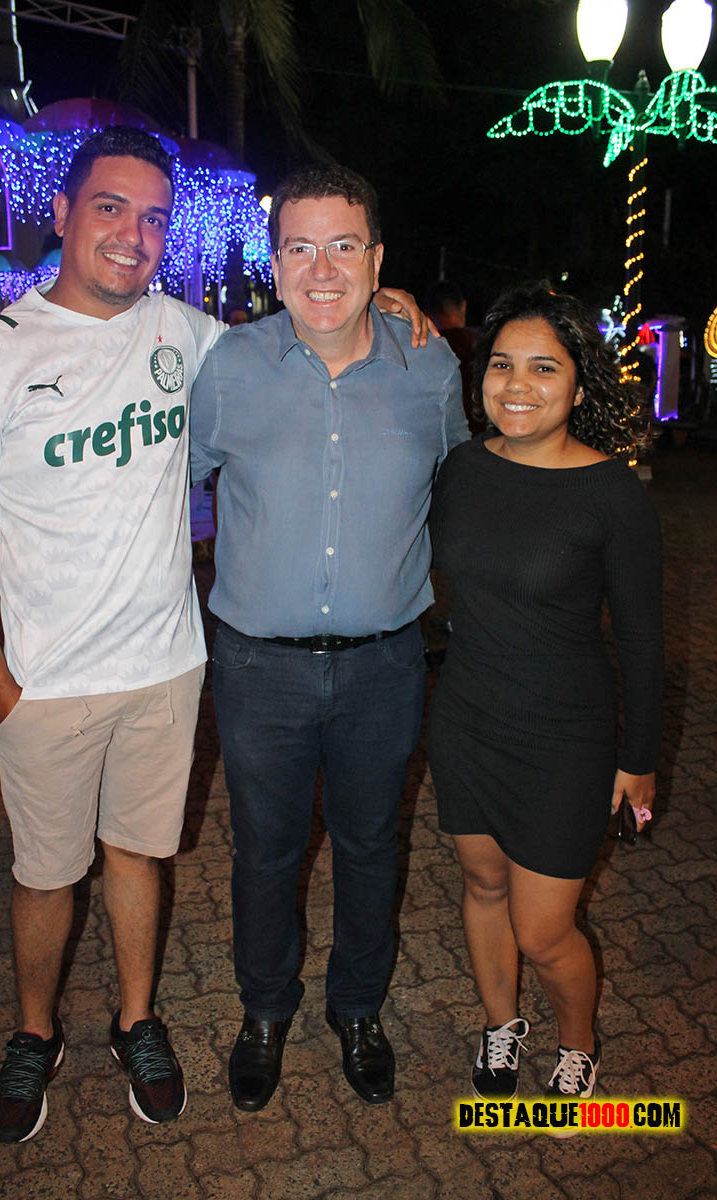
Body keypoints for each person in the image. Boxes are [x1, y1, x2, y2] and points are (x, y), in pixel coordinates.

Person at [0, 129, 431, 1144]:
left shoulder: (191, 336)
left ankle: (136, 1021)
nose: (133, 233)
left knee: (136, 858)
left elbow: (303, 327)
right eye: (109, 207)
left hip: (165, 668)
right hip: (44, 681)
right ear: (62, 213)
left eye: (154, 217)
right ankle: (33, 1033)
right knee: (44, 874)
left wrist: (385, 299)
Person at [189, 164, 468, 1112]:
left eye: (343, 246)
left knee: (370, 846)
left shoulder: (430, 368)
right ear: (274, 264)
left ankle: (358, 1010)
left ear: (377, 260)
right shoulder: (231, 366)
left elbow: (464, 492)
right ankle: (265, 1010)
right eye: (299, 248)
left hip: (386, 664)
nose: (321, 269)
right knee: (264, 852)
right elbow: (166, 484)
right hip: (256, 667)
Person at [426, 282, 663, 1112]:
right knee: (482, 885)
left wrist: (639, 759)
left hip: (565, 738)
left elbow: (642, 639)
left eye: (543, 367)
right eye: (501, 365)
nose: (517, 385)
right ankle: (501, 1024)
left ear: (578, 385)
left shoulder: (612, 493)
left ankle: (577, 1041)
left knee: (544, 927)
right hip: (466, 721)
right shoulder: (461, 469)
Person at [424, 279, 481, 434]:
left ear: (427, 314)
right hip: (480, 436)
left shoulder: (424, 351)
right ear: (464, 306)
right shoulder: (482, 346)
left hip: (442, 437)